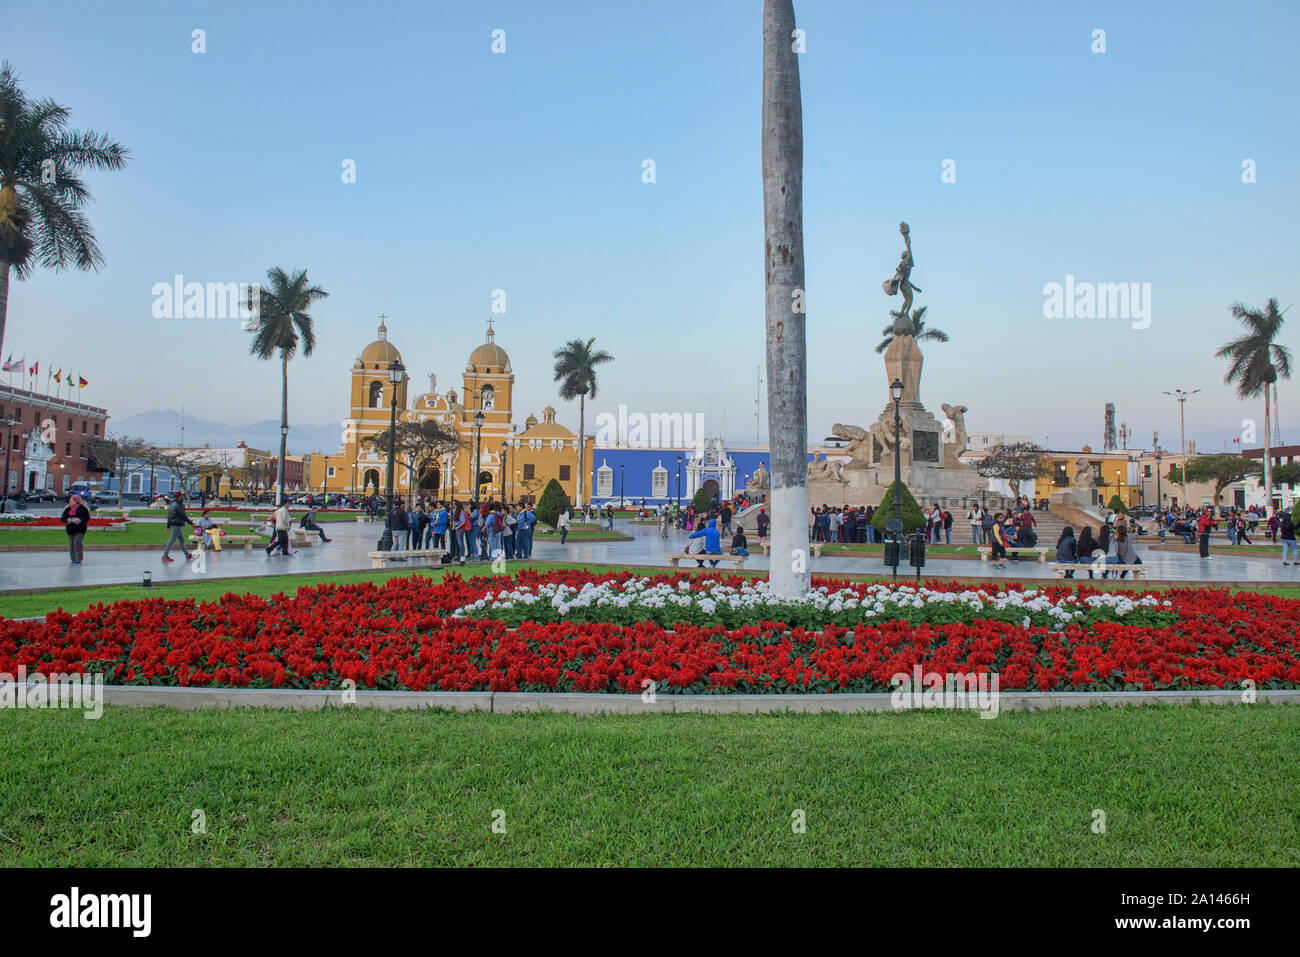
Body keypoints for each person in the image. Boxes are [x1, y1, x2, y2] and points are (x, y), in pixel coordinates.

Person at [161, 492, 195, 563]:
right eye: (182, 496)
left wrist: (168, 526)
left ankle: (187, 554)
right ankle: (165, 555)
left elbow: (169, 516)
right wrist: (191, 523)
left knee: (181, 539)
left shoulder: (172, 504)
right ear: (179, 497)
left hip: (174, 524)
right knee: (172, 540)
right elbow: (183, 515)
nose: (183, 497)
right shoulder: (179, 505)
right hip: (177, 524)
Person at [61, 493, 90, 564]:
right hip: (71, 529)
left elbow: (87, 518)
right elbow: (63, 518)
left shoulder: (83, 509)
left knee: (77, 542)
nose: (70, 501)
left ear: (76, 501)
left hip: (80, 529)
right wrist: (67, 519)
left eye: (72, 500)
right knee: (71, 544)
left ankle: (78, 558)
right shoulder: (68, 509)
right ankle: (73, 558)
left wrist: (80, 520)